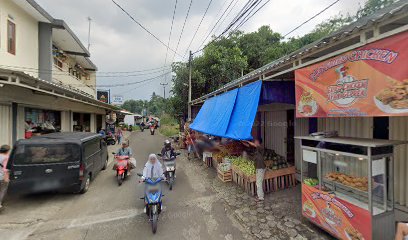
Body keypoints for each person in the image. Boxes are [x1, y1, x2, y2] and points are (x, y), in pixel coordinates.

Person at [0, 145, 11, 211]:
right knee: (2, 190)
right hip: (1, 177)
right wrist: (6, 178)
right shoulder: (6, 157)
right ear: (7, 151)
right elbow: (5, 169)